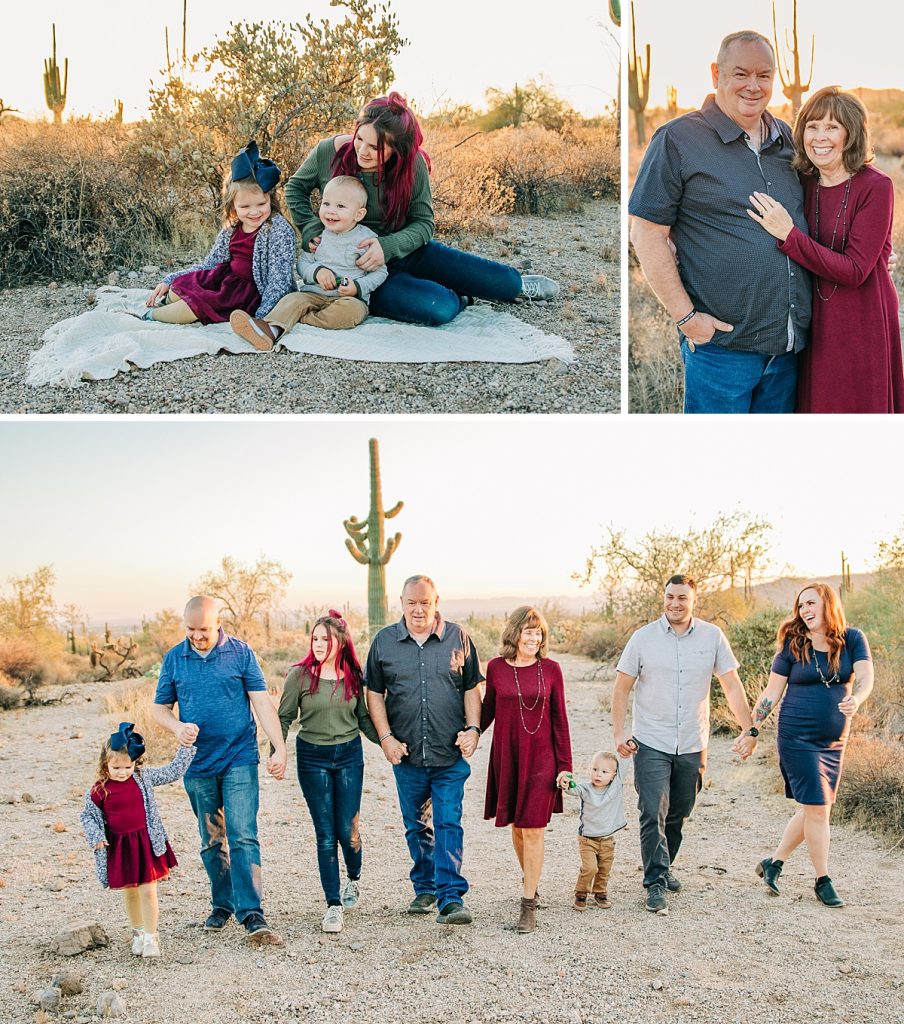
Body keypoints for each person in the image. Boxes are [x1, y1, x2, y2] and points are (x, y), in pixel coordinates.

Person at [267, 91, 559, 331]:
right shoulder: (328, 152)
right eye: (360, 139)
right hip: (358, 269)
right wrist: (311, 227)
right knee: (437, 308)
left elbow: (423, 224)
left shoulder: (413, 165)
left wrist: (387, 246)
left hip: (406, 249)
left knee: (502, 282)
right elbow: (295, 189)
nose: (363, 151)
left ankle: (519, 285)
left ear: (398, 150)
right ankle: (461, 297)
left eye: (376, 148)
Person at [629, 31, 811, 413]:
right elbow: (646, 233)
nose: (753, 86)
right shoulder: (678, 139)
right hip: (722, 352)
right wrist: (687, 317)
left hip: (789, 351)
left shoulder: (789, 140)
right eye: (740, 73)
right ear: (716, 74)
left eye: (764, 75)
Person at [746, 86, 904, 413]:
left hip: (861, 319)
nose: (820, 137)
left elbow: (855, 271)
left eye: (832, 127)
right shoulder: (803, 181)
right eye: (812, 126)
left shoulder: (876, 187)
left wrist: (789, 235)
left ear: (852, 134)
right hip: (813, 318)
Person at [611, 574, 756, 914]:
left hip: (692, 740)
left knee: (678, 812)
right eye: (670, 597)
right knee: (651, 811)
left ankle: (664, 863)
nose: (674, 603)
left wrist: (748, 728)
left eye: (682, 598)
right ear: (663, 598)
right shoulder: (643, 638)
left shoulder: (712, 637)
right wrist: (620, 733)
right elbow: (621, 688)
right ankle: (655, 882)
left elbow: (732, 685)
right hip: (651, 740)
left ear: (694, 601)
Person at [152, 596, 288, 944]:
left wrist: (280, 747)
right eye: (191, 629)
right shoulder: (174, 658)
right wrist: (176, 727)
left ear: (218, 623)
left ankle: (251, 911)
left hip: (239, 756)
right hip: (196, 763)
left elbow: (261, 701)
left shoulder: (241, 652)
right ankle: (222, 903)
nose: (197, 636)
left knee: (243, 834)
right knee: (211, 840)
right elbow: (159, 709)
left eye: (204, 630)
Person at [365, 575, 483, 924]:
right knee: (416, 825)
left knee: (448, 821)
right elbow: (373, 692)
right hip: (407, 754)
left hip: (448, 753)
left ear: (436, 602)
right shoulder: (384, 641)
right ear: (401, 602)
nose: (418, 609)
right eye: (411, 603)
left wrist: (474, 729)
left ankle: (450, 897)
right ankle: (425, 887)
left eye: (425, 603)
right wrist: (385, 737)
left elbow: (472, 686)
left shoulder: (457, 636)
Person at [750, 584, 873, 907]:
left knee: (813, 808)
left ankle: (773, 864)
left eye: (810, 603)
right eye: (800, 605)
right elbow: (771, 692)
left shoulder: (853, 639)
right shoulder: (793, 645)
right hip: (796, 737)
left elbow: (865, 676)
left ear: (827, 605)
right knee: (819, 809)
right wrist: (752, 728)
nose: (804, 610)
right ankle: (823, 879)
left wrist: (857, 699)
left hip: (833, 742)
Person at [276, 610, 380, 934]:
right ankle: (333, 905)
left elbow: (363, 719)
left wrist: (389, 743)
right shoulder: (300, 676)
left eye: (326, 639)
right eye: (315, 638)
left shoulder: (353, 675)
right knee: (324, 833)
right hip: (312, 757)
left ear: (340, 642)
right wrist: (277, 752)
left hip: (349, 755)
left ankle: (354, 878)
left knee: (348, 830)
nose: (319, 643)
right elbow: (283, 717)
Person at [480, 606, 572, 934]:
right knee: (518, 828)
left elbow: (560, 720)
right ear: (515, 633)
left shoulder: (552, 670)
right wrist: (469, 732)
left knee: (533, 829)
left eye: (538, 632)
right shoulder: (496, 668)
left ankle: (528, 904)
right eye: (528, 631)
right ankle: (530, 878)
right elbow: (487, 708)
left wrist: (565, 767)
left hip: (543, 759)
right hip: (509, 756)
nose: (534, 637)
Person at [141, 141, 296, 326]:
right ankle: (166, 303)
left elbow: (279, 281)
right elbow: (210, 263)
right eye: (245, 206)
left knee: (194, 306)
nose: (254, 212)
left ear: (271, 199)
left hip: (248, 293)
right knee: (177, 288)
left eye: (261, 204)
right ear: (233, 206)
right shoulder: (232, 229)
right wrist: (170, 279)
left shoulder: (278, 229)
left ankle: (149, 317)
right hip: (225, 280)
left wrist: (261, 317)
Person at [79, 723, 196, 959]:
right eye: (116, 767)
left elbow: (172, 772)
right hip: (120, 848)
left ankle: (152, 937)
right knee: (130, 892)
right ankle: (138, 933)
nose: (122, 772)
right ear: (105, 765)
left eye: (127, 766)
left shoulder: (143, 778)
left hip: (145, 843)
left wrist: (186, 747)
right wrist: (97, 837)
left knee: (148, 891)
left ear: (135, 763)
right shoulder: (99, 789)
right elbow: (87, 815)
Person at [229, 176, 388, 348]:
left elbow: (380, 272)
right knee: (291, 299)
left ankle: (301, 319)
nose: (330, 211)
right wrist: (317, 271)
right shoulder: (317, 235)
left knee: (353, 312)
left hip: (348, 298)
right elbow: (302, 263)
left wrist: (357, 287)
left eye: (340, 206)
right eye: (326, 203)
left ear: (359, 214)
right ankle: (268, 330)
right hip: (312, 294)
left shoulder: (366, 239)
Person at [557, 751, 627, 912]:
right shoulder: (585, 789)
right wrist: (565, 782)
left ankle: (600, 893)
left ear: (613, 775)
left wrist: (626, 752)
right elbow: (570, 790)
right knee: (590, 868)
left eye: (604, 772)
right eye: (595, 769)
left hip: (608, 839)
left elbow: (624, 766)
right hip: (587, 839)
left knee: (604, 869)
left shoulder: (616, 786)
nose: (598, 775)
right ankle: (581, 893)